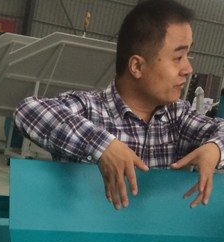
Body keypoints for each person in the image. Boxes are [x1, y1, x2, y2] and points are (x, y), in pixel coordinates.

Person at [13, 0, 224, 210]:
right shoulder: (90, 110)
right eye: (178, 57)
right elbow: (27, 111)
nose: (188, 69)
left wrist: (215, 148)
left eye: (187, 55)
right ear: (137, 66)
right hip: (85, 228)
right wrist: (101, 146)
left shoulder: (177, 118)